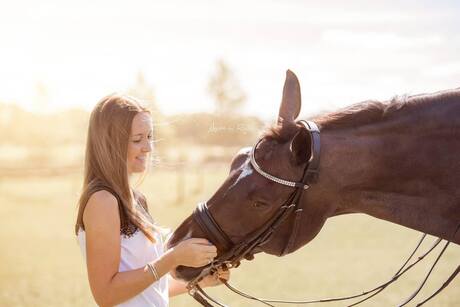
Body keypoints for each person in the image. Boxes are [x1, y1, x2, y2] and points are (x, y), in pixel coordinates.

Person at [75, 93, 229, 306]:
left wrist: (200, 280)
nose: (148, 147)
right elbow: (106, 294)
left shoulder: (137, 199)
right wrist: (173, 258)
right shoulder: (102, 201)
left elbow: (150, 289)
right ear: (111, 144)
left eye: (149, 137)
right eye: (137, 139)